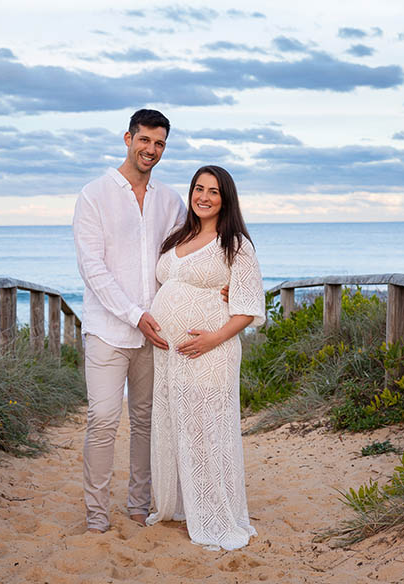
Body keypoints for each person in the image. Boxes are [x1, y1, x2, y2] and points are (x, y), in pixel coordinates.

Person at [72, 109, 186, 533]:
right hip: (108, 329)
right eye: (145, 141)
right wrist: (135, 315)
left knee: (145, 421)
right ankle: (97, 517)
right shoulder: (94, 195)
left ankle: (139, 503)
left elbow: (182, 261)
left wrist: (223, 287)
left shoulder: (170, 200)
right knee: (102, 418)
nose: (151, 150)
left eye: (159, 144)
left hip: (155, 332)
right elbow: (92, 268)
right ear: (128, 138)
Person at [145, 164, 265, 551]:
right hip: (171, 355)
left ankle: (214, 514)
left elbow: (247, 308)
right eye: (199, 188)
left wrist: (212, 339)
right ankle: (181, 506)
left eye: (214, 191)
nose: (204, 197)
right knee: (177, 425)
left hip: (211, 352)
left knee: (208, 431)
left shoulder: (236, 245)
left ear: (225, 198)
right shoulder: (179, 236)